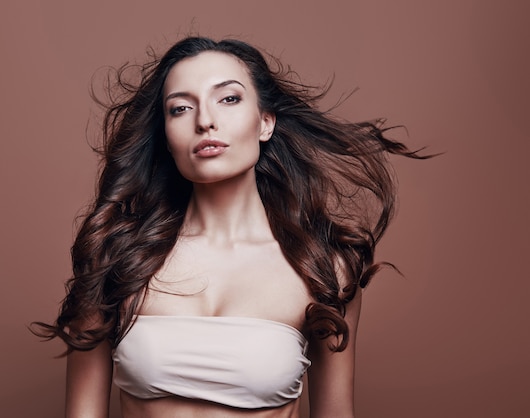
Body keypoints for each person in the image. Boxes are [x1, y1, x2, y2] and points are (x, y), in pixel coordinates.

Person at [32, 36, 424, 418]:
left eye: (229, 99)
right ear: (167, 139)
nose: (205, 121)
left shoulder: (323, 268)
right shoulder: (117, 256)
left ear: (265, 122)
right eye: (181, 109)